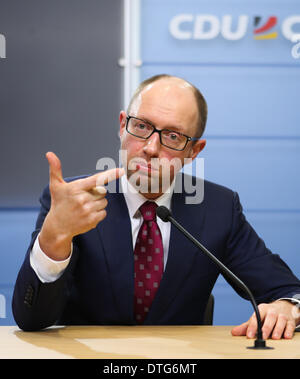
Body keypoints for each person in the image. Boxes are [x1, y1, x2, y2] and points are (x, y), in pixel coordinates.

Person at [12, 74, 300, 341]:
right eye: (141, 126)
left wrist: (287, 306)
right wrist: (53, 239)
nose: (150, 147)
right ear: (122, 125)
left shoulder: (219, 208)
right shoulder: (74, 200)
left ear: (193, 151)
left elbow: (286, 289)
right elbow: (31, 320)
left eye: (173, 136)